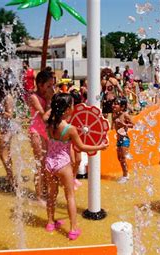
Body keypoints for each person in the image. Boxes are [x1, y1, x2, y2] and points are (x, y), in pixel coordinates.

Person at [44, 93, 108, 240]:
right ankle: (73, 229)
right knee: (70, 197)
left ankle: (50, 223)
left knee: (51, 194)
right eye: (71, 105)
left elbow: (48, 113)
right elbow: (82, 146)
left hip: (49, 163)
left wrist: (54, 104)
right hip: (63, 165)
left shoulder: (49, 122)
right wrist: (100, 146)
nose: (73, 107)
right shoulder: (70, 129)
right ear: (67, 109)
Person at [28, 70, 54, 204]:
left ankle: (45, 190)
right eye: (49, 86)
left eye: (52, 85)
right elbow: (45, 117)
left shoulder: (47, 95)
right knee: (39, 164)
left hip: (46, 132)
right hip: (36, 132)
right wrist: (50, 99)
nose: (52, 88)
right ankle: (38, 196)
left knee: (47, 164)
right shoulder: (33, 97)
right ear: (40, 84)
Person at [0, 68, 15, 189]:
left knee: (3, 155)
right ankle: (9, 176)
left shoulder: (8, 98)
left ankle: (11, 180)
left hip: (8, 130)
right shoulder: (1, 98)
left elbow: (10, 114)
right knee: (6, 154)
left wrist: (0, 114)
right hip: (4, 129)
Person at [112, 97, 134, 184]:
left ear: (122, 107)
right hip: (119, 139)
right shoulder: (114, 115)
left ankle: (126, 175)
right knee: (119, 158)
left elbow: (133, 125)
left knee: (123, 158)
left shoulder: (125, 115)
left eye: (116, 104)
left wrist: (123, 124)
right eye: (114, 103)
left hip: (125, 139)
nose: (114, 105)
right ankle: (125, 173)